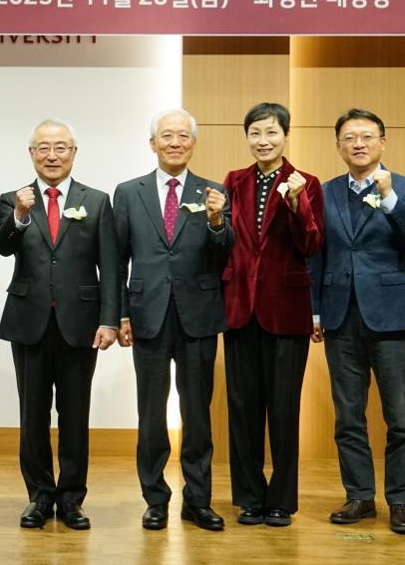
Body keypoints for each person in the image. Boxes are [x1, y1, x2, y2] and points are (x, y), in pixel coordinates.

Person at [0, 119, 120, 530]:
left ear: (74, 153)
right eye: (43, 148)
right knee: (32, 416)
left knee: (75, 415)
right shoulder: (13, 199)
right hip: (29, 320)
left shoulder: (96, 201)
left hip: (80, 322)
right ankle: (39, 496)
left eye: (60, 147)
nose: (52, 155)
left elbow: (110, 266)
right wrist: (20, 214)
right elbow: (3, 247)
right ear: (31, 154)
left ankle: (71, 499)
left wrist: (110, 320)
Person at [112, 108, 232, 531]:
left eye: (183, 136)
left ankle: (198, 500)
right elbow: (117, 260)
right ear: (153, 143)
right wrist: (120, 314)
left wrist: (216, 221)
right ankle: (155, 498)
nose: (175, 142)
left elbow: (226, 253)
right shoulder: (129, 193)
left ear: (193, 144)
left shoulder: (214, 193)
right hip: (147, 314)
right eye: (167, 136)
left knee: (197, 413)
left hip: (199, 315)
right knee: (150, 413)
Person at [309, 108, 405, 535]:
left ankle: (401, 500)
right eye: (349, 138)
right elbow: (315, 256)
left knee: (402, 417)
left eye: (366, 136)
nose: (358, 144)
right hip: (340, 316)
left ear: (383, 142)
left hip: (393, 317)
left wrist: (390, 197)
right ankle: (359, 495)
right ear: (338, 146)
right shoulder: (324, 193)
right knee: (348, 415)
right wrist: (315, 311)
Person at [220, 102, 323, 528]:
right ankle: (249, 497)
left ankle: (281, 500)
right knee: (243, 409)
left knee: (283, 410)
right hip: (239, 308)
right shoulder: (233, 181)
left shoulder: (307, 183)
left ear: (286, 136)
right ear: (247, 137)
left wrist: (298, 204)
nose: (263, 141)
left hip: (287, 311)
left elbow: (312, 244)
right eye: (255, 133)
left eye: (271, 133)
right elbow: (225, 240)